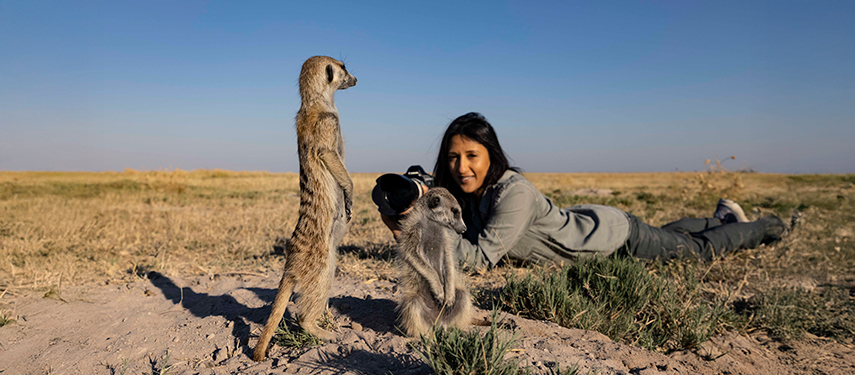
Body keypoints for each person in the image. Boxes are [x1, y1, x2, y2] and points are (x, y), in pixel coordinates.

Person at [380, 112, 787, 268]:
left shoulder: (513, 193)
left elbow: (481, 257)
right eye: (453, 157)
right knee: (675, 235)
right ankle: (719, 218)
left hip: (611, 238)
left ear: (492, 155)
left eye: (472, 155)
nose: (461, 167)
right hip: (586, 222)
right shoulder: (466, 192)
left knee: (695, 251)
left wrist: (415, 232)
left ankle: (770, 226)